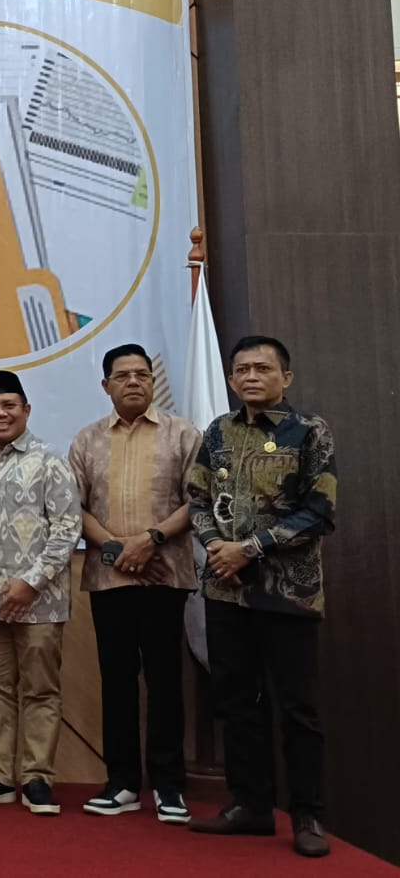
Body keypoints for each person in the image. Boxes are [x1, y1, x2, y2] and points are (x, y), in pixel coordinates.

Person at [186, 335, 336, 858]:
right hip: (225, 590)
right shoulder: (218, 431)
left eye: (263, 368)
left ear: (285, 378)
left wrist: (247, 549)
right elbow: (197, 498)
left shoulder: (309, 430)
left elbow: (319, 512)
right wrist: (215, 547)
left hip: (288, 593)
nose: (251, 376)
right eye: (242, 369)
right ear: (231, 379)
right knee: (235, 702)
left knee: (298, 708)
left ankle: (308, 815)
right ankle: (249, 806)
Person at [69, 342, 199, 825]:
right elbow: (74, 508)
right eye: (123, 376)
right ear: (106, 385)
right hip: (110, 580)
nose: (134, 383)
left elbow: (198, 500)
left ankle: (169, 786)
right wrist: (119, 551)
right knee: (117, 682)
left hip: (166, 576)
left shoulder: (183, 434)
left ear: (152, 380)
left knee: (165, 682)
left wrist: (150, 540)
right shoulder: (86, 440)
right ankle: (121, 782)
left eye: (142, 374)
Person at [0, 370, 81, 816]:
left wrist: (32, 581)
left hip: (40, 602)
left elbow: (68, 528)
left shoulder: (50, 461)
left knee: (41, 690)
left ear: (26, 410)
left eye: (9, 405)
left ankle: (36, 778)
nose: (1, 414)